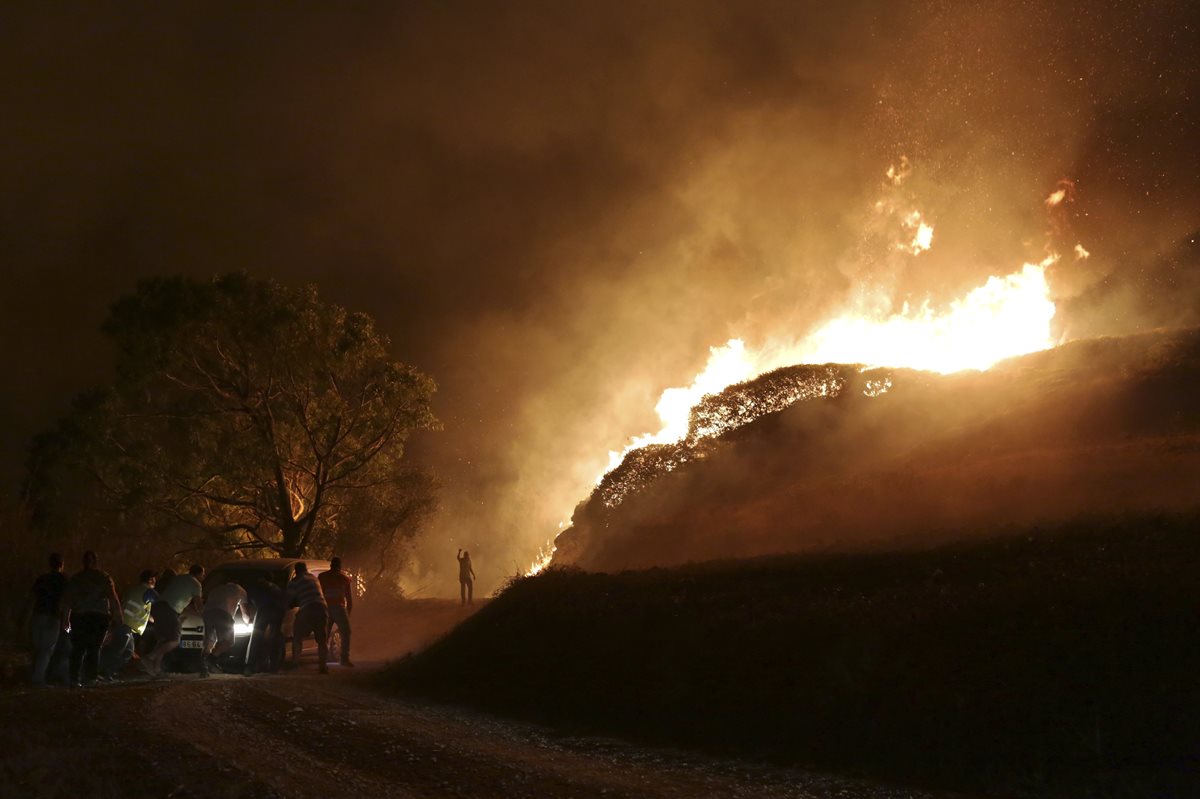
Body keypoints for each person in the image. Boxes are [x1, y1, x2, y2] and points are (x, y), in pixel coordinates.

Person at [60, 551, 122, 687]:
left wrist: (66, 618)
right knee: (94, 648)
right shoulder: (104, 577)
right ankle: (90, 678)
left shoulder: (76, 578)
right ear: (96, 562)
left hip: (80, 616)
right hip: (98, 616)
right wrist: (118, 615)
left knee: (79, 648)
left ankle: (74, 679)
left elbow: (68, 601)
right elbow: (113, 598)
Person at [144, 563, 204, 676]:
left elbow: (179, 598)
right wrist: (203, 614)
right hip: (169, 610)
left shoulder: (179, 578)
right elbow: (198, 603)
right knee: (175, 640)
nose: (202, 577)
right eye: (203, 575)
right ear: (200, 573)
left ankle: (156, 669)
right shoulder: (196, 584)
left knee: (163, 640)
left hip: (158, 607)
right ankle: (150, 657)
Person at [100, 569, 158, 680]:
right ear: (150, 580)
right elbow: (161, 604)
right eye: (154, 579)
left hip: (123, 624)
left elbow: (138, 609)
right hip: (126, 626)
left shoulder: (134, 589)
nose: (155, 581)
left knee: (128, 652)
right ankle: (103, 673)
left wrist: (153, 619)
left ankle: (108, 672)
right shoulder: (148, 592)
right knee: (117, 651)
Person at [23, 553, 70, 686]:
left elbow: (32, 599)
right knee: (46, 649)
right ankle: (38, 679)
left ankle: (35, 675)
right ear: (61, 565)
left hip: (38, 616)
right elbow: (66, 601)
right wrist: (65, 619)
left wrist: (26, 617)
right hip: (53, 617)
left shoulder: (41, 579)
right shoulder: (64, 580)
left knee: (37, 648)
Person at [200, 580, 249, 677]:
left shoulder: (216, 588)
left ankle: (204, 667)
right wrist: (248, 623)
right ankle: (211, 660)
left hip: (206, 613)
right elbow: (245, 613)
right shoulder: (240, 590)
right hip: (223, 613)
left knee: (209, 641)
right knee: (228, 641)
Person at [286, 563, 328, 674]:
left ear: (296, 571)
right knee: (322, 640)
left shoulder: (294, 582)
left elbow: (289, 600)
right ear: (305, 569)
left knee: (297, 636)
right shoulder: (314, 578)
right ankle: (323, 667)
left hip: (307, 608)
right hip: (322, 608)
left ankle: (295, 663)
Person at [318, 557, 354, 667]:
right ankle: (344, 659)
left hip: (326, 608)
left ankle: (322, 661)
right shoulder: (344, 579)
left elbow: (320, 593)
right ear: (340, 566)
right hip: (339, 607)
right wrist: (348, 613)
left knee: (324, 635)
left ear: (331, 565)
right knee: (346, 632)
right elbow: (349, 599)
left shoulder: (322, 577)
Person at [246, 577, 287, 673]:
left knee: (256, 636)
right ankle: (274, 666)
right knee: (274, 637)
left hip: (265, 610)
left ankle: (252, 665)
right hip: (279, 611)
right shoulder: (275, 587)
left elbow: (253, 603)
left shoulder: (255, 588)